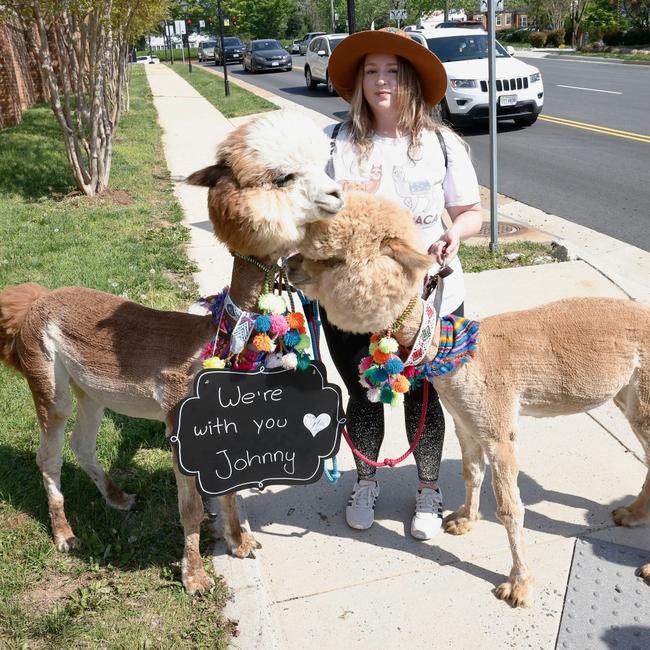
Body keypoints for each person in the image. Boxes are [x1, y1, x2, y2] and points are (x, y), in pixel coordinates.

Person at [323, 28, 483, 540]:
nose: (381, 81)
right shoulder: (334, 142)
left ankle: (429, 490)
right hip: (355, 303)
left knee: (426, 396)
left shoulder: (442, 144)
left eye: (392, 71)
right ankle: (366, 479)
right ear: (359, 82)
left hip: (432, 298)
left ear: (409, 79)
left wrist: (454, 234)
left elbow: (470, 211)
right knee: (363, 393)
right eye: (371, 71)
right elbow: (309, 213)